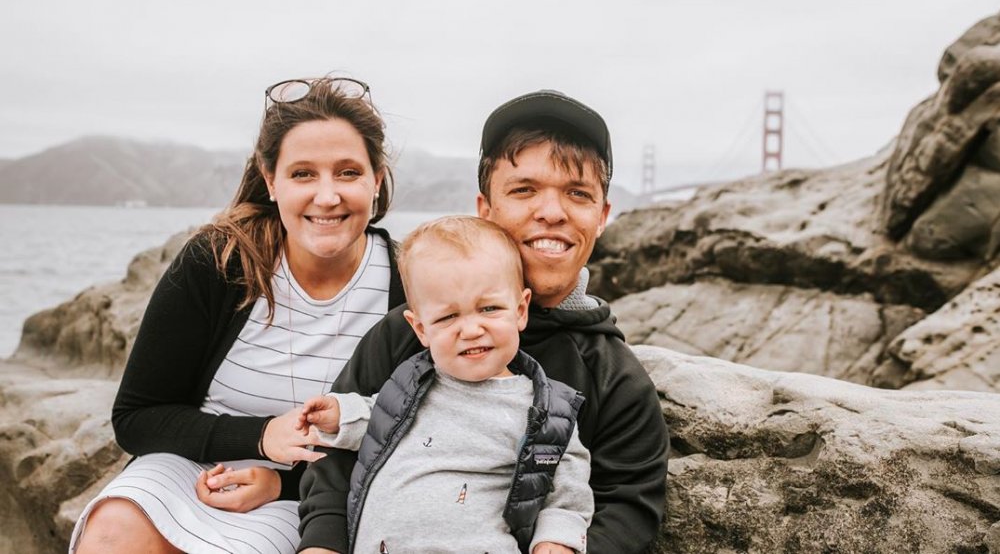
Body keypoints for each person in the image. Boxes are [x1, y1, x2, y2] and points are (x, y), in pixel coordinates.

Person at [298, 90, 670, 553]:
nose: (552, 212)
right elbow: (336, 460)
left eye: (577, 193)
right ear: (485, 209)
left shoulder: (614, 377)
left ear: (601, 217)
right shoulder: (407, 335)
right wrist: (322, 544)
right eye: (524, 189)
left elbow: (628, 507)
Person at [69, 75, 403, 554]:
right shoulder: (220, 262)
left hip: (317, 495)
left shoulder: (405, 284)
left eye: (348, 173)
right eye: (303, 173)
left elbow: (412, 438)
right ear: (271, 181)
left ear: (376, 180)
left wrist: (281, 483)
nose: (326, 196)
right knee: (114, 532)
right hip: (195, 464)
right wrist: (261, 437)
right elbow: (137, 417)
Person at [297, 216, 593, 553]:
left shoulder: (544, 411)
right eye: (448, 317)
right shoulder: (412, 387)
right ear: (421, 329)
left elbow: (568, 496)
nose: (470, 330)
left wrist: (555, 543)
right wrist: (338, 415)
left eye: (489, 308)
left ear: (520, 310)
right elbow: (374, 420)